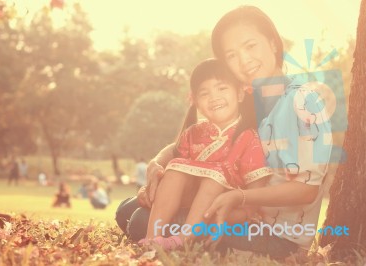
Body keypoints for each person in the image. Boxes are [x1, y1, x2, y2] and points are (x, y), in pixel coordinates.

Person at [116, 5, 332, 259]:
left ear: (273, 43)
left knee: (139, 220)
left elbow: (307, 189)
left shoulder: (303, 101)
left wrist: (239, 197)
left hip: (276, 235)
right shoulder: (245, 99)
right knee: (127, 209)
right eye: (231, 54)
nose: (244, 60)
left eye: (250, 46)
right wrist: (156, 164)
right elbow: (192, 140)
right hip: (229, 207)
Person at [138, 58, 272, 249]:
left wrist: (227, 217)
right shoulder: (192, 133)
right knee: (175, 169)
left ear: (240, 94)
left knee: (214, 178)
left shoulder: (249, 138)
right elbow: (172, 179)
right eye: (204, 92)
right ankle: (152, 239)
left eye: (222, 88)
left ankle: (183, 240)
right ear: (195, 101)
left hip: (221, 215)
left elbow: (254, 197)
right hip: (184, 208)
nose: (214, 97)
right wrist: (151, 192)